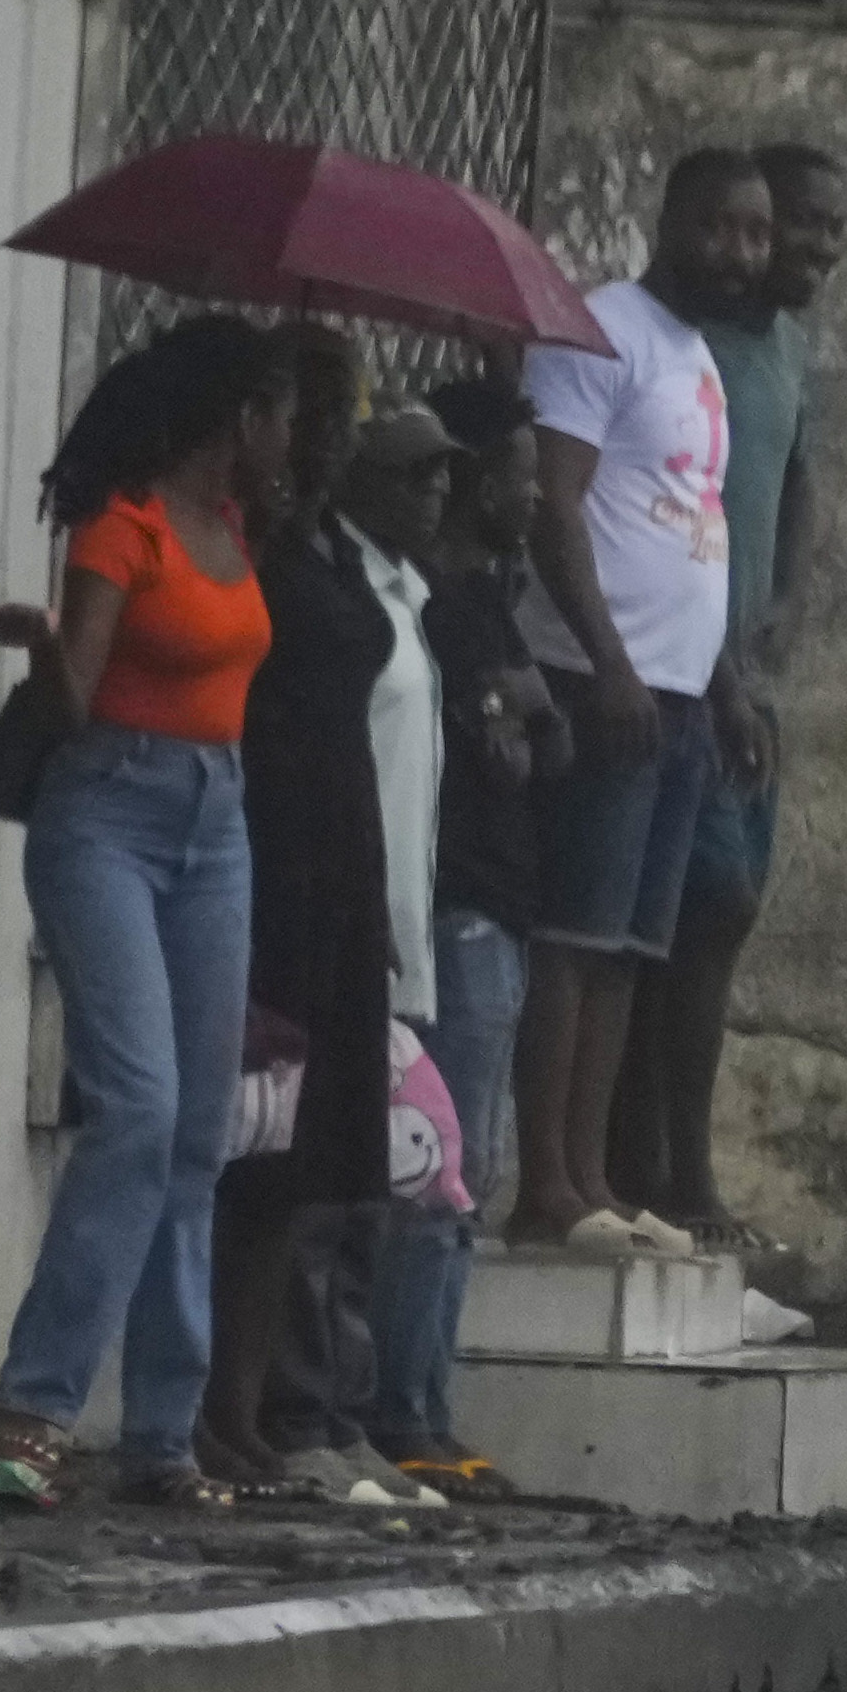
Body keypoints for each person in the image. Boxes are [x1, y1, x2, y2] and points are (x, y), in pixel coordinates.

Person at [0, 313, 288, 1501]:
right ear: (238, 420)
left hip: (217, 822)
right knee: (139, 1108)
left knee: (198, 1133)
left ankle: (162, 1434)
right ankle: (33, 1408)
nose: (292, 434)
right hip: (104, 813)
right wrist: (41, 649)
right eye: (280, 412)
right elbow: (74, 699)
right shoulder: (123, 528)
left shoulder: (236, 526)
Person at [514, 147, 770, 1253]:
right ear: (669, 222)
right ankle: (544, 1189)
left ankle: (594, 1179)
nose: (741, 252)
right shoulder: (597, 328)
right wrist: (610, 663)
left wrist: (721, 688)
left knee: (628, 949)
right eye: (720, 227)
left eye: (754, 233)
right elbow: (555, 507)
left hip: (677, 697)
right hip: (598, 683)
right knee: (571, 937)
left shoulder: (698, 354)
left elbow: (688, 524)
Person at [613, 139, 847, 1245]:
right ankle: (662, 1174)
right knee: (685, 914)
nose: (811, 249)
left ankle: (660, 1171)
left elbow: (795, 479)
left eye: (820, 230)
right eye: (795, 225)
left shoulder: (785, 349)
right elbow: (675, 511)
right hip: (681, 673)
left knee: (712, 914)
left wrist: (794, 598)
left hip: (748, 677)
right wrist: (716, 675)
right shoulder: (678, 343)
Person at [203, 325, 404, 1493]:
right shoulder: (254, 545)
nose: (329, 437)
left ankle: (249, 1409)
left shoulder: (332, 546)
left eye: (344, 414)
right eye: (309, 412)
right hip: (271, 848)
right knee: (249, 1146)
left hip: (344, 854)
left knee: (308, 1155)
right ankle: (210, 1404)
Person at [374, 408, 556, 1485]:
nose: (533, 495)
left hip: (498, 907)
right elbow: (509, 754)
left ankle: (423, 1404)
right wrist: (512, 708)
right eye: (518, 473)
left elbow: (548, 740)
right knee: (439, 1172)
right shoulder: (435, 606)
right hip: (461, 907)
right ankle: (405, 1408)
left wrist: (524, 710)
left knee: (462, 1174)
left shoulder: (482, 597)